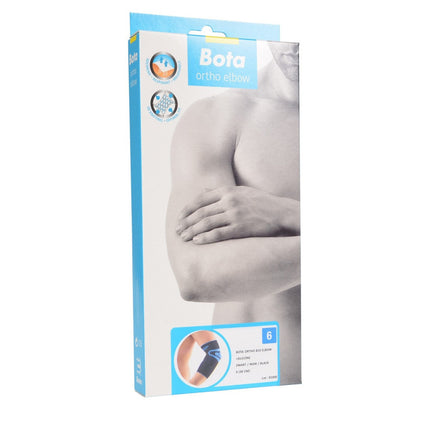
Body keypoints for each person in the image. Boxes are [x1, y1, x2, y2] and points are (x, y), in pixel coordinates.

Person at [166, 41, 301, 384]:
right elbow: (199, 276)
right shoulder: (219, 116)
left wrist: (285, 212)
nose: (294, 47)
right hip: (249, 383)